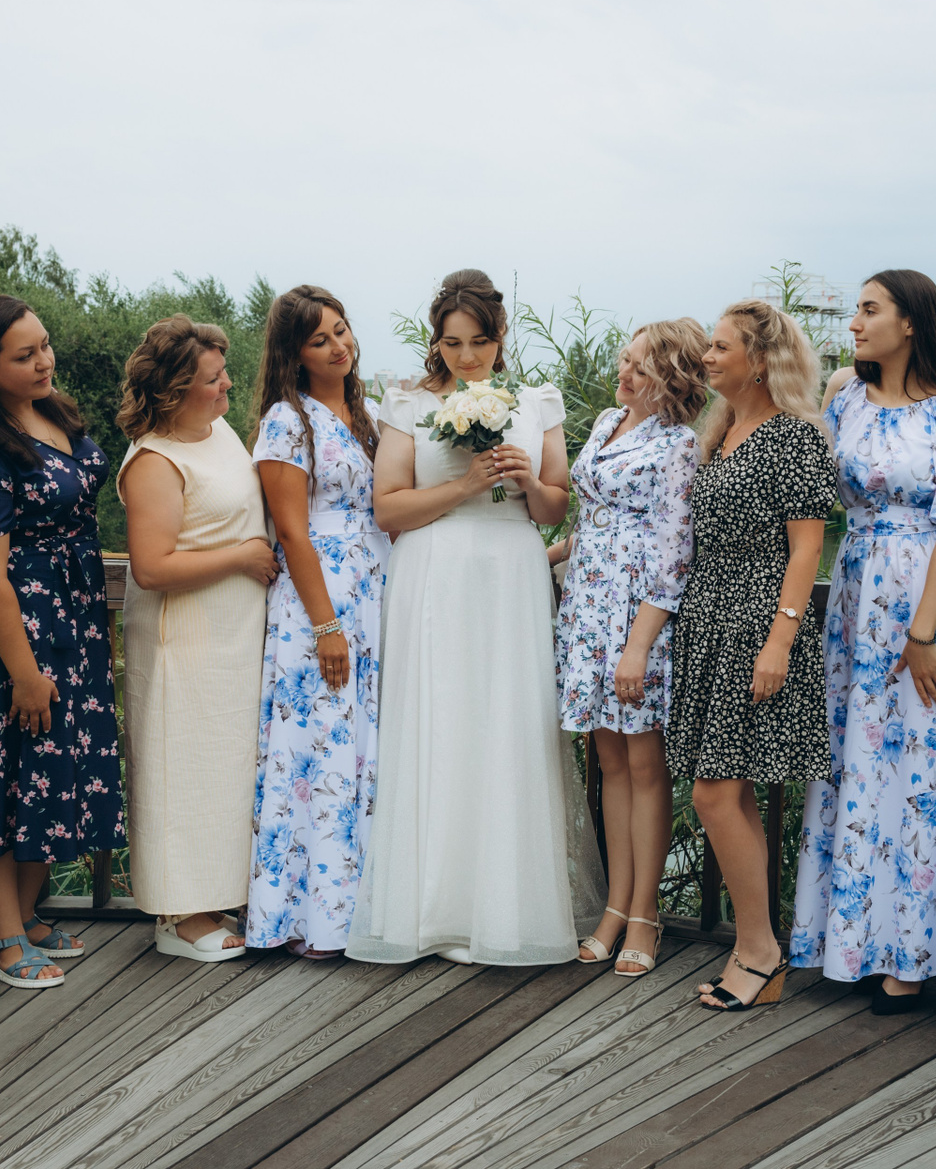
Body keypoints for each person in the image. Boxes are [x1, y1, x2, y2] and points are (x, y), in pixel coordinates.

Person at [348, 268, 604, 967]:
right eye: (453, 342)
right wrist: (465, 484)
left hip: (510, 575)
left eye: (480, 342)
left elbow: (554, 508)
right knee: (440, 723)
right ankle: (434, 912)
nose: (467, 356)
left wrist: (525, 479)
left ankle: (504, 913)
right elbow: (388, 509)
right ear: (436, 340)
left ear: (500, 337)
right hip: (434, 574)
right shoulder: (406, 404)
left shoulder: (538, 403)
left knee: (506, 726)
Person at [791, 269, 936, 1014]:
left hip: (921, 597)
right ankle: (848, 944)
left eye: (869, 310)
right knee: (854, 761)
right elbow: (811, 490)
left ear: (910, 323)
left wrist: (924, 632)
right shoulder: (844, 393)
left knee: (920, 768)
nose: (855, 323)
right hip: (852, 596)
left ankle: (910, 954)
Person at [0, 295, 125, 988]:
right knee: (3, 773)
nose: (44, 361)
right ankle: (2, 938)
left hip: (73, 619)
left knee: (53, 767)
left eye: (44, 345)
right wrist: (22, 671)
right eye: (25, 355)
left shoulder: (55, 414)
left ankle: (25, 915)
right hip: (16, 630)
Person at [666, 301, 836, 1010]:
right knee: (727, 793)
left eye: (720, 346)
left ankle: (762, 951)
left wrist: (780, 640)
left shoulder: (794, 435)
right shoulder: (723, 429)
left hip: (757, 620)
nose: (707, 356)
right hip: (711, 616)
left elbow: (807, 547)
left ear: (761, 359)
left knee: (714, 792)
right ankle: (754, 948)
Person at [551, 319, 706, 978]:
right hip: (587, 609)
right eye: (625, 360)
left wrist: (638, 647)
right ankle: (615, 906)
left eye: (640, 366)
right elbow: (590, 517)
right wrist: (545, 556)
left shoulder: (679, 444)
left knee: (645, 767)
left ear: (671, 377)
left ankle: (645, 914)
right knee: (609, 761)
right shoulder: (608, 421)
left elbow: (674, 556)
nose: (625, 373)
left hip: (636, 615)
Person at [119, 315, 276, 962]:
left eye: (224, 372)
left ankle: (215, 896)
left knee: (224, 768)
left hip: (233, 633)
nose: (227, 385)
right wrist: (243, 557)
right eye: (213, 379)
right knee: (180, 766)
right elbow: (152, 567)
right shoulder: (155, 460)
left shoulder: (220, 434)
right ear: (174, 390)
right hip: (181, 636)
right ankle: (178, 914)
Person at [246, 285, 390, 958]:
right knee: (321, 745)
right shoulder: (287, 421)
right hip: (319, 600)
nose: (339, 346)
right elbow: (292, 532)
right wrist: (327, 627)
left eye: (342, 330)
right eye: (319, 339)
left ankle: (365, 911)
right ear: (294, 354)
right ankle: (311, 919)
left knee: (364, 743)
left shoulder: (368, 416)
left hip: (373, 590)